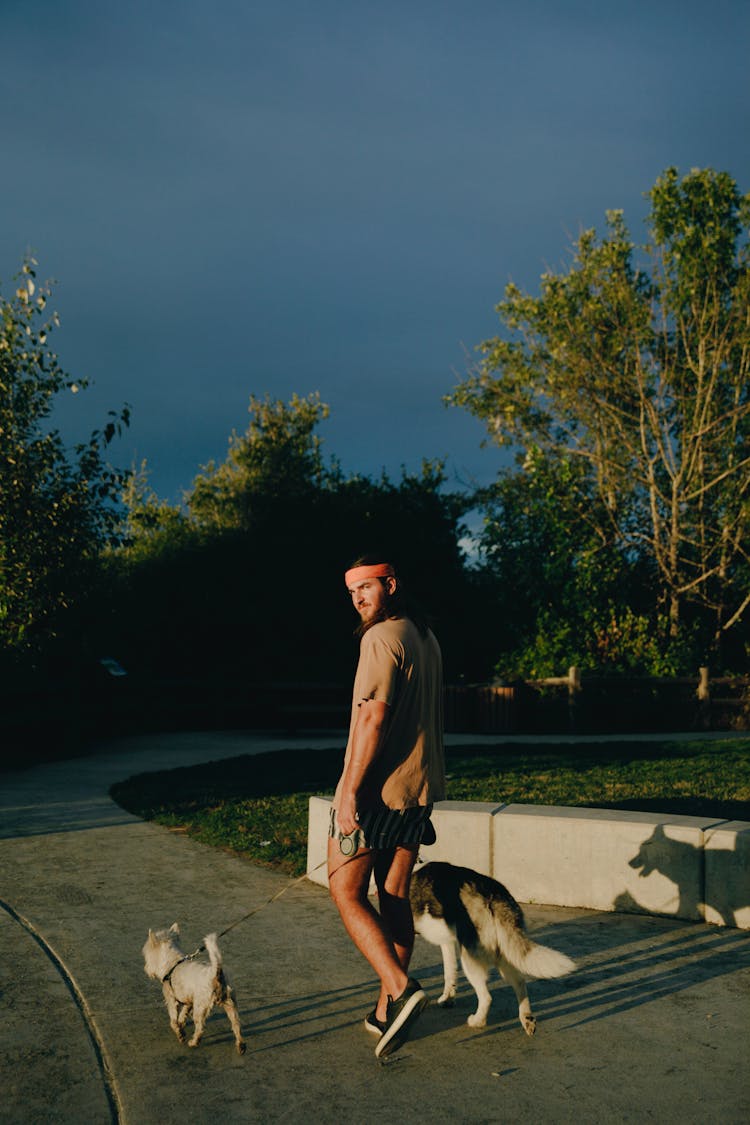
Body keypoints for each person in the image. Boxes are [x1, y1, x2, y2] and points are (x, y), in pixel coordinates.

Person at [328, 555, 446, 1059]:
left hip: (379, 791)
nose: (357, 598)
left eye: (366, 587)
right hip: (420, 789)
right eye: (351, 590)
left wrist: (349, 790)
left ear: (391, 585)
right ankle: (385, 1012)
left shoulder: (380, 639)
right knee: (393, 893)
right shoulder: (425, 635)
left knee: (345, 890)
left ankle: (400, 987)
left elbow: (372, 721)